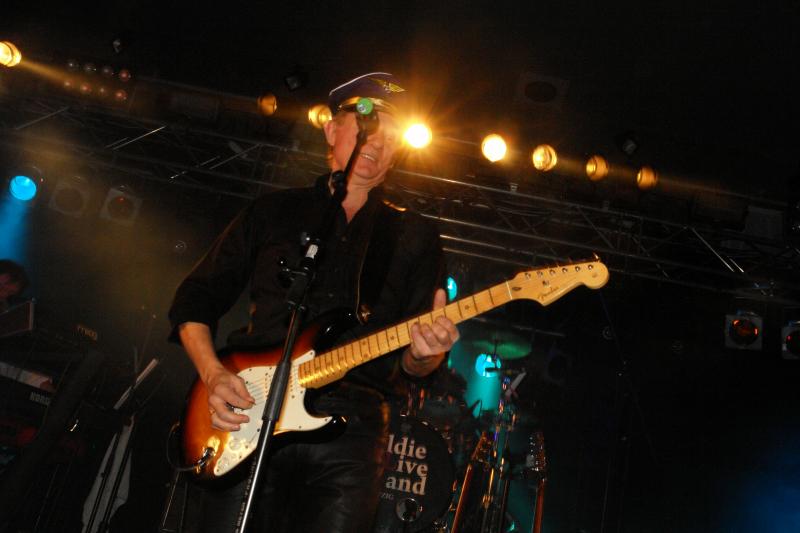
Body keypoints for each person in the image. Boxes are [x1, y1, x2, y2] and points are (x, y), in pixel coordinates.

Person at [168, 72, 459, 533]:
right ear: (331, 129)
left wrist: (427, 355)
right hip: (249, 409)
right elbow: (196, 297)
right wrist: (213, 373)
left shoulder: (414, 234)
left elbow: (415, 364)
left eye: (392, 135)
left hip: (354, 429)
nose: (378, 142)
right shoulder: (272, 211)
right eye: (367, 125)